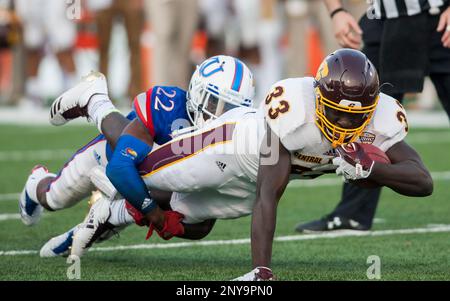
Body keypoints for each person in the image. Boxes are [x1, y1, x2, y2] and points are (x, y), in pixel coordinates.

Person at [49, 49, 432, 281]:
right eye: (338, 113)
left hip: (249, 181)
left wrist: (373, 170)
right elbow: (270, 194)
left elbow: (422, 180)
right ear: (318, 99)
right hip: (231, 144)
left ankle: (112, 213)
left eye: (358, 115)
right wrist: (261, 273)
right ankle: (97, 101)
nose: (348, 125)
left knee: (193, 222)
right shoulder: (293, 115)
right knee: (138, 172)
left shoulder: (382, 119)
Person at [18, 55, 255, 254]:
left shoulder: (227, 139)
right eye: (215, 103)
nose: (220, 114)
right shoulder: (169, 106)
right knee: (53, 199)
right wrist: (154, 214)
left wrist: (170, 224)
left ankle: (111, 216)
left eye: (230, 109)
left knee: (190, 199)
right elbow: (121, 166)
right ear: (197, 91)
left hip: (142, 185)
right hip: (111, 155)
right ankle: (94, 102)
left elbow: (204, 223)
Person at [296, 0, 450, 233]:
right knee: (360, 114)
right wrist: (336, 10)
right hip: (385, 18)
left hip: (441, 17)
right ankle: (353, 214)